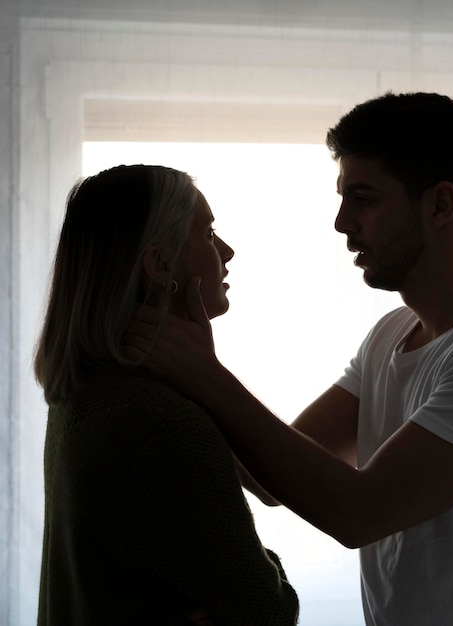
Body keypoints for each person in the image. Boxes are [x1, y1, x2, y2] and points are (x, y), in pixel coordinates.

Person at [126, 93, 453, 625]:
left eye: (364, 199)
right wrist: (180, 368)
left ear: (441, 205)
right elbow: (270, 479)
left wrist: (206, 376)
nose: (340, 222)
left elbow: (358, 513)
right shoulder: (389, 336)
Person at [33, 164, 299, 626]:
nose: (228, 252)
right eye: (210, 234)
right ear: (159, 265)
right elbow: (270, 612)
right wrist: (265, 570)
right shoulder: (163, 428)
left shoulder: (85, 395)